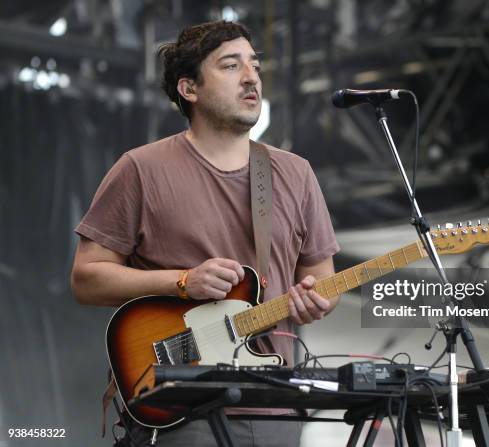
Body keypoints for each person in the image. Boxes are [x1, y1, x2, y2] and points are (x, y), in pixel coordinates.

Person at [71, 20, 340, 446]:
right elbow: (86, 279)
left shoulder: (295, 172)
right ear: (189, 89)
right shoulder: (140, 169)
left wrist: (317, 299)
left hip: (276, 406)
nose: (251, 76)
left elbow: (322, 277)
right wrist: (181, 282)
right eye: (231, 66)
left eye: (255, 64)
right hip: (181, 406)